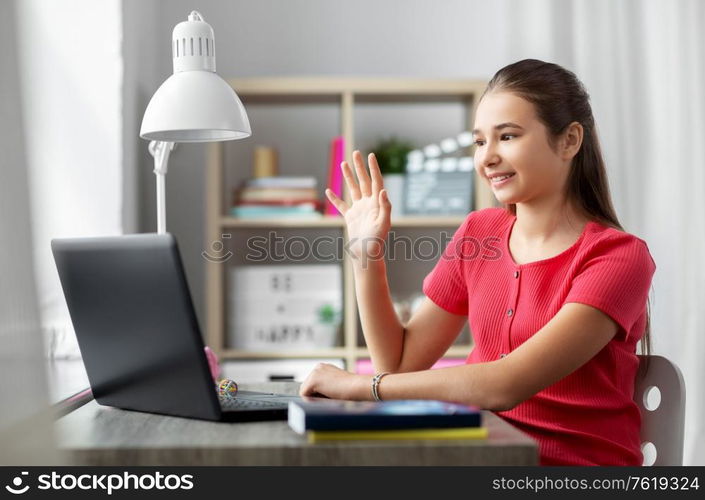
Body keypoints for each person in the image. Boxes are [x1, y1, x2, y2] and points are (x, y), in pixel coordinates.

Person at [299, 58, 656, 466]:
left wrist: (358, 387)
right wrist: (367, 255)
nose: (487, 157)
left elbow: (506, 384)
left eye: (507, 136)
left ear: (570, 141)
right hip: (479, 458)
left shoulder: (617, 257)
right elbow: (397, 364)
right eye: (479, 142)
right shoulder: (478, 234)